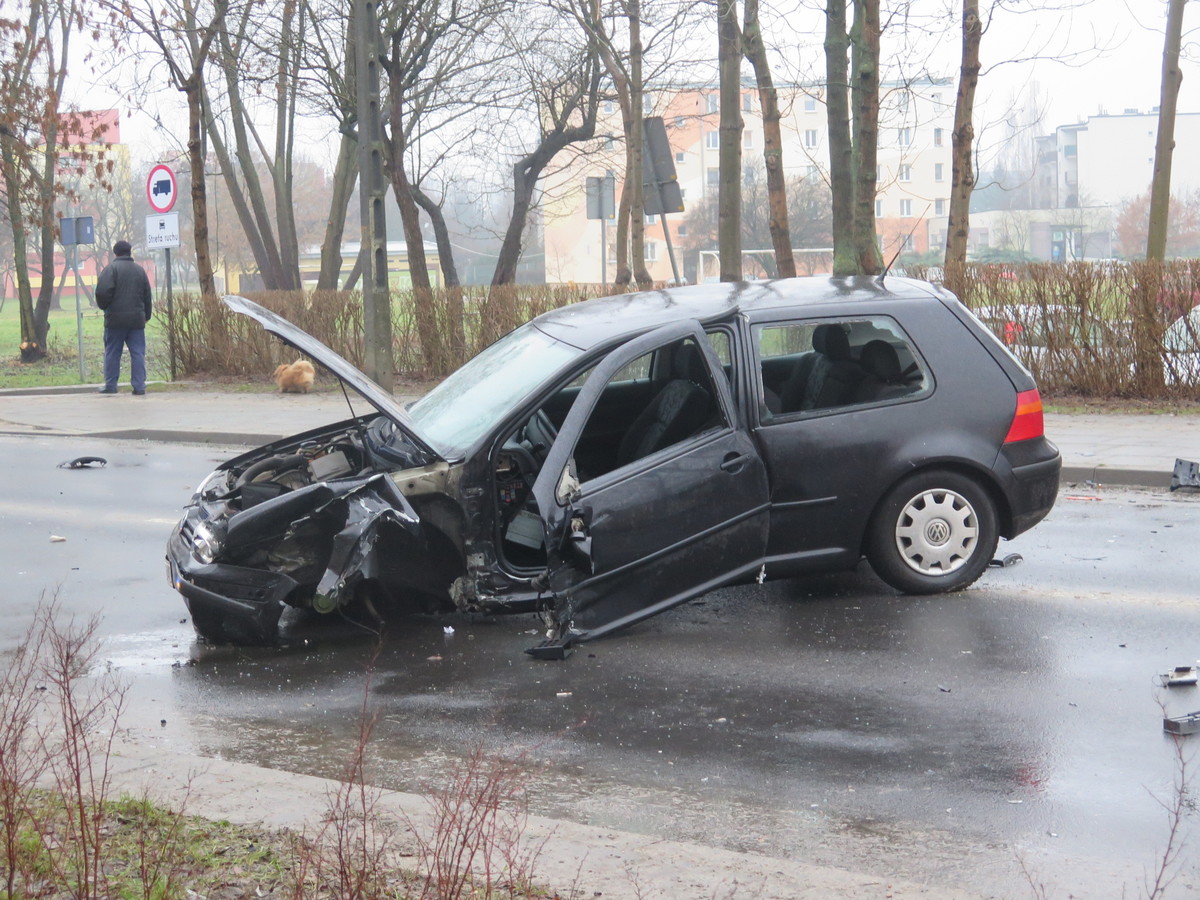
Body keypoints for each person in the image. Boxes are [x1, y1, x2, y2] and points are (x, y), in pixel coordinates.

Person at [94, 239, 153, 395]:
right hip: (136, 320)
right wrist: (146, 315)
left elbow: (101, 292)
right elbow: (147, 295)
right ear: (129, 252)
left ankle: (111, 385)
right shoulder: (140, 271)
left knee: (113, 352)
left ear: (115, 253)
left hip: (115, 320)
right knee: (138, 353)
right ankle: (139, 386)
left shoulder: (110, 269)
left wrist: (105, 307)